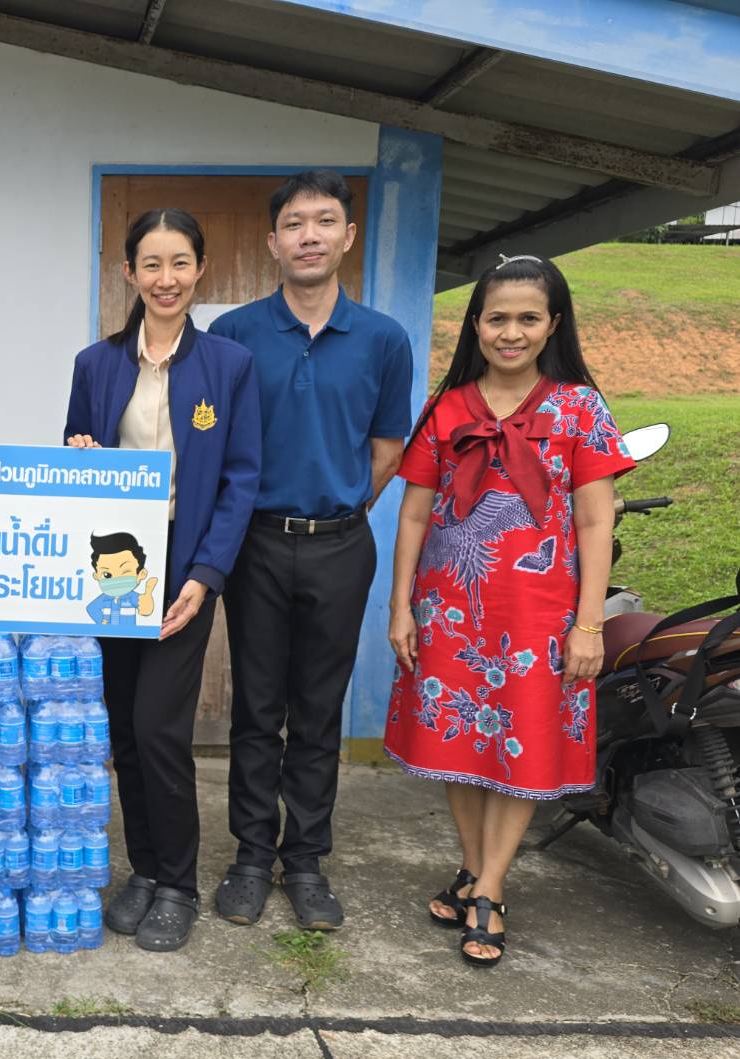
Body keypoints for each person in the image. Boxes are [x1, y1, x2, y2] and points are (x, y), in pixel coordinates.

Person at [384, 254, 633, 967]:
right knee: (458, 746)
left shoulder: (579, 409)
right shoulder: (447, 407)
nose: (510, 332)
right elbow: (412, 517)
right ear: (475, 323)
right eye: (497, 317)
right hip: (449, 614)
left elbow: (594, 522)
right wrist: (400, 608)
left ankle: (490, 887)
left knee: (520, 748)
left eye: (528, 318)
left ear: (552, 324)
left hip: (538, 618)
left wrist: (588, 623)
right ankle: (472, 868)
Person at [209, 170, 413, 931]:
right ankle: (250, 858)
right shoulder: (233, 335)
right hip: (254, 544)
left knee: (318, 713)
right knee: (256, 710)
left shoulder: (383, 339)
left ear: (346, 237)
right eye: (294, 223)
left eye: (324, 221)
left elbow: (388, 447)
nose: (309, 235)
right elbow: (212, 441)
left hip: (339, 543)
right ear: (272, 241)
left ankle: (305, 862)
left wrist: (336, 509)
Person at [66, 208, 261, 952]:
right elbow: (72, 453)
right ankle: (143, 871)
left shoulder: (229, 367)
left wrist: (207, 575)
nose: (165, 278)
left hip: (182, 570)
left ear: (199, 270)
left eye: (179, 263)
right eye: (151, 264)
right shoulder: (95, 363)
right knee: (122, 731)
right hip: (113, 568)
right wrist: (79, 451)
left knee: (159, 731)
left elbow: (241, 480)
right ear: (128, 274)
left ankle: (176, 881)